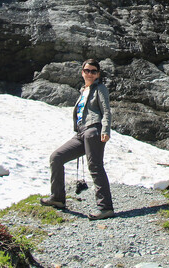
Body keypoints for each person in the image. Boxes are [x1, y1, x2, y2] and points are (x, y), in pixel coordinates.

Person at [41, 59, 114, 220]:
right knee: (56, 157)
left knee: (95, 166)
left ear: (98, 74)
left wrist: (105, 130)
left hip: (93, 130)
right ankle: (58, 198)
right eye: (87, 70)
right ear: (82, 72)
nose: (89, 73)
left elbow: (106, 111)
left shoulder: (99, 89)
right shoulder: (83, 90)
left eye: (93, 71)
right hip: (81, 133)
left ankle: (105, 207)